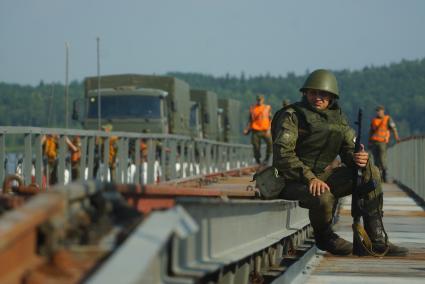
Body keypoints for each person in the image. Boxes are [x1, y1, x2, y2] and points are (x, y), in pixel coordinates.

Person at [271, 69, 407, 256]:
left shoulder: (338, 118)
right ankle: (324, 237)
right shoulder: (292, 116)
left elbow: (348, 149)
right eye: (313, 93)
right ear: (305, 93)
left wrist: (358, 158)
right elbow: (283, 155)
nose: (318, 98)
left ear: (331, 97)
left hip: (320, 175)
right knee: (323, 195)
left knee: (371, 170)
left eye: (323, 94)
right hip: (291, 180)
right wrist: (310, 178)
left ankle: (376, 238)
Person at [368, 105, 400, 182]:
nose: (378, 112)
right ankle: (378, 177)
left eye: (380, 110)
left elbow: (394, 129)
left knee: (382, 160)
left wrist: (397, 138)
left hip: (383, 142)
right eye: (377, 111)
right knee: (376, 160)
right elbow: (371, 132)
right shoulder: (374, 120)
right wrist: (369, 142)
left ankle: (385, 176)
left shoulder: (387, 119)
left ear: (383, 111)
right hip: (374, 142)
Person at [243, 94, 273, 165]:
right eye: (258, 100)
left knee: (270, 143)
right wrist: (246, 129)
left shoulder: (267, 108)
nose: (259, 101)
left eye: (260, 100)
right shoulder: (253, 108)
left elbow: (271, 119)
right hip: (255, 130)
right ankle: (258, 159)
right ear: (256, 100)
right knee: (256, 146)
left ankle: (266, 159)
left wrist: (269, 129)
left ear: (263, 100)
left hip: (265, 131)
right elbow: (250, 120)